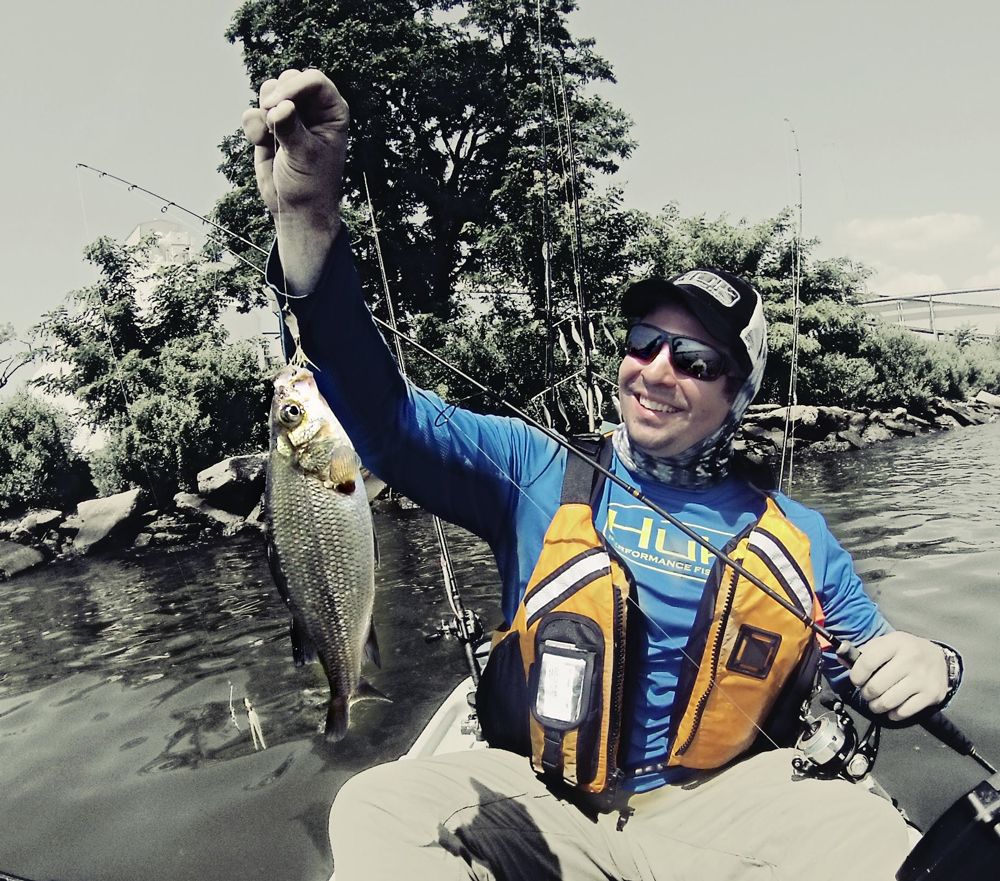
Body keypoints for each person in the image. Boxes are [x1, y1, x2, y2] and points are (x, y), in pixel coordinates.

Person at [243, 69, 962, 880]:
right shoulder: (533, 466)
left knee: (885, 848)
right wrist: (307, 212)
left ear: (737, 395)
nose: (656, 370)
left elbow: (873, 669)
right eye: (642, 342)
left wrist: (934, 663)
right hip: (545, 800)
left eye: (693, 359)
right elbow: (382, 414)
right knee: (372, 808)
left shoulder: (802, 541)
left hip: (727, 805)